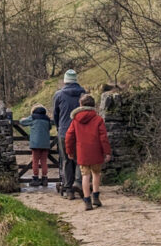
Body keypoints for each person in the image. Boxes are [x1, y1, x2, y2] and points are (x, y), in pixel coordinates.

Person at [65, 94, 112, 211]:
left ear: (81, 105)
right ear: (93, 105)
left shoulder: (75, 120)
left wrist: (70, 151)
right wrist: (107, 152)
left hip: (82, 152)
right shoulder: (98, 119)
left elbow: (69, 137)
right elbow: (103, 137)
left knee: (85, 176)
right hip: (96, 151)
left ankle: (87, 201)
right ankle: (95, 197)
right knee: (96, 174)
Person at [53, 69, 87, 199]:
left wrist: (59, 127)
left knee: (66, 159)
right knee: (80, 159)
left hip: (64, 131)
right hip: (80, 131)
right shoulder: (83, 94)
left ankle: (68, 189)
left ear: (65, 80)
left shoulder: (59, 95)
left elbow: (55, 115)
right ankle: (78, 182)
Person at [19, 104, 52, 187]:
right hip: (45, 143)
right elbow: (50, 127)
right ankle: (44, 179)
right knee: (44, 161)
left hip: (35, 143)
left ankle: (36, 179)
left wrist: (23, 118)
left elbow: (22, 122)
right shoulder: (47, 118)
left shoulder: (33, 117)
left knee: (35, 161)